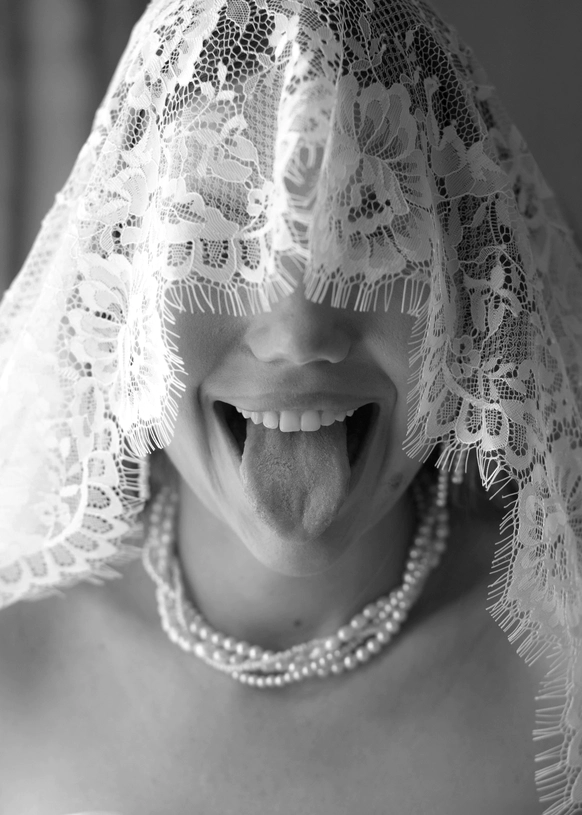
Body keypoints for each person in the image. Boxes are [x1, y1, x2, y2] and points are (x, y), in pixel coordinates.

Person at [0, 1, 581, 813]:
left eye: (372, 222)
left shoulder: (565, 679)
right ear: (127, 273)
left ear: (466, 283)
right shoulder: (12, 667)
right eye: (220, 235)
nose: (299, 330)